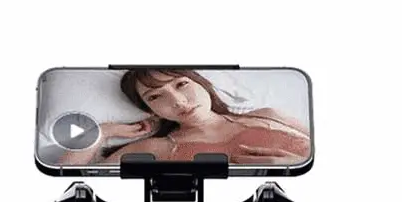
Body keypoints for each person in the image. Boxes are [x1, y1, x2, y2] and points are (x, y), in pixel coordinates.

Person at [59, 68, 311, 166]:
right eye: (155, 97)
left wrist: (300, 166)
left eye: (181, 84)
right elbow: (70, 177)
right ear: (151, 110)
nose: (178, 101)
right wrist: (104, 131)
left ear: (202, 83)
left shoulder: (270, 115)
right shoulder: (156, 148)